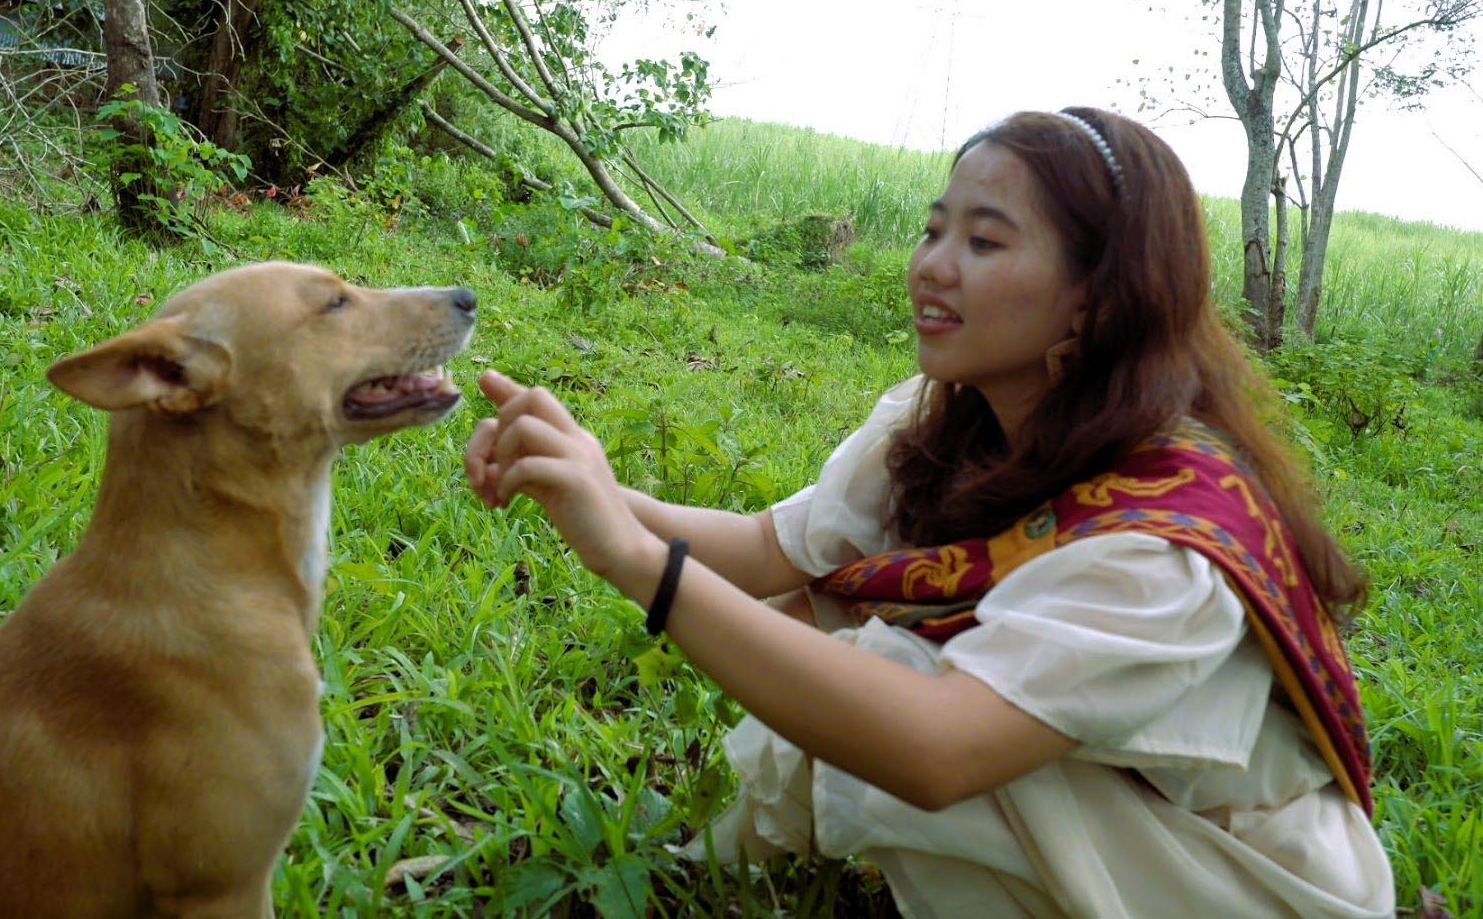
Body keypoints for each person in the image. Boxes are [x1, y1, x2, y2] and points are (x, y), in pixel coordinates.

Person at [463, 106, 1396, 918]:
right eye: (932, 229)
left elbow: (934, 748)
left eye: (985, 243)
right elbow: (762, 552)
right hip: (1127, 812)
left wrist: (636, 560)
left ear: (1098, 296)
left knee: (893, 668)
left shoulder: (1165, 542)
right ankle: (700, 870)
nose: (932, 267)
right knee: (828, 615)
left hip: (1239, 880)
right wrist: (579, 478)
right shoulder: (946, 419)